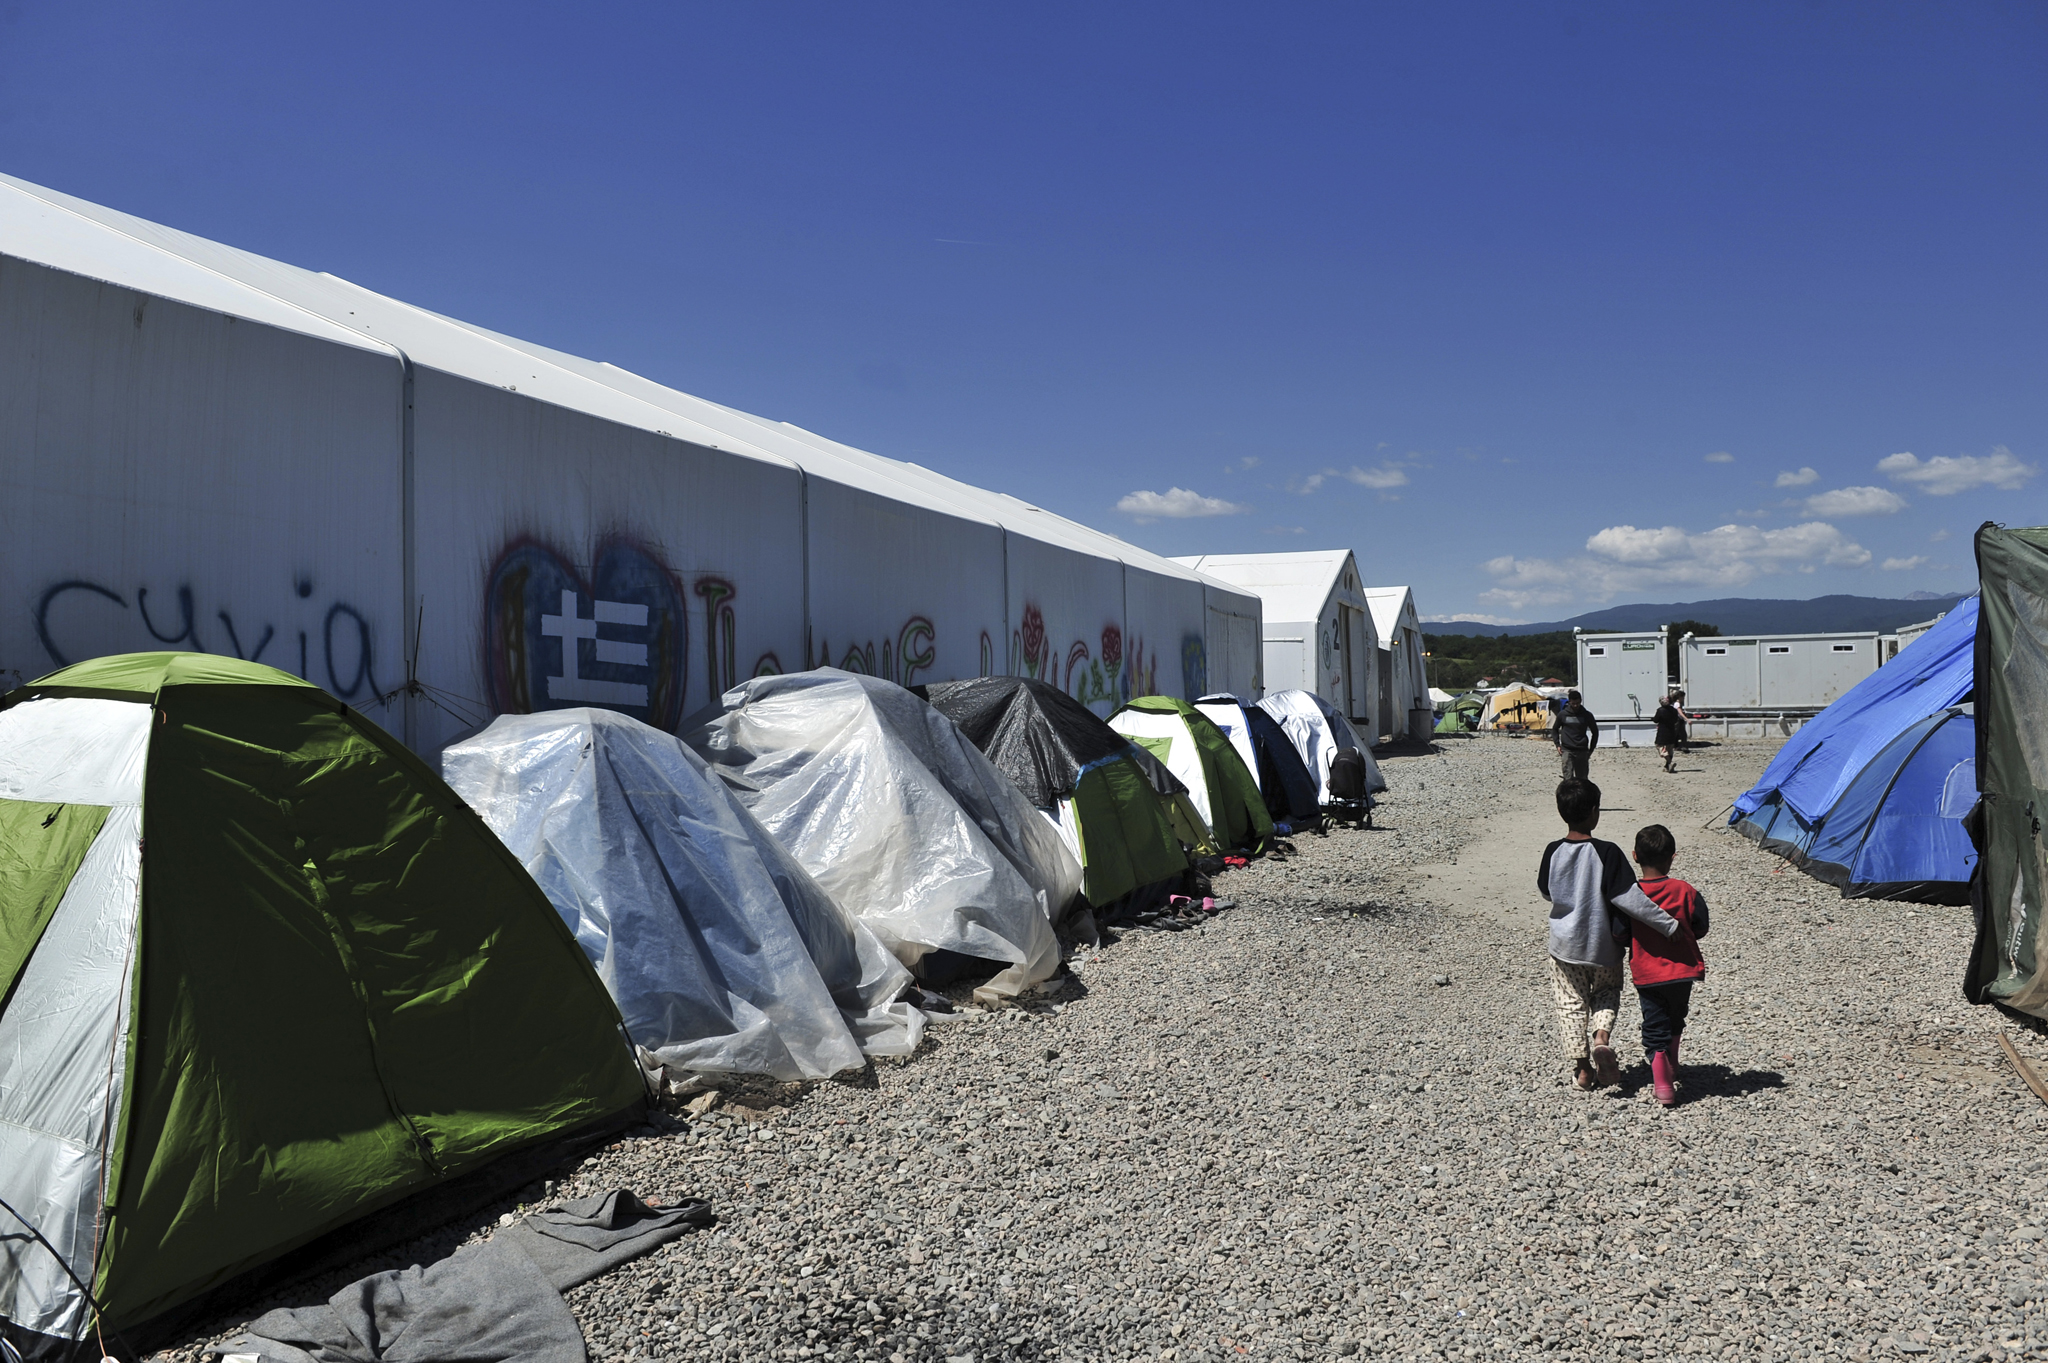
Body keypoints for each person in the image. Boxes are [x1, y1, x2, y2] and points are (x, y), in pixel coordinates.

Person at [1537, 778, 1679, 1090]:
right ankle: (1601, 1038)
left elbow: (1546, 892)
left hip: (1564, 947)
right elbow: (1630, 899)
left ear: (1561, 812)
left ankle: (1583, 1070)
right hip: (1603, 947)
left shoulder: (1553, 851)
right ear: (1594, 812)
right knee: (1607, 992)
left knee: (1569, 1003)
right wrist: (1668, 925)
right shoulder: (1608, 852)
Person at [1627, 824, 1709, 1107]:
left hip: (1647, 972)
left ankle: (1663, 1084)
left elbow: (1620, 932)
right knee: (1676, 1016)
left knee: (1654, 1024)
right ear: (1672, 857)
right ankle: (1673, 1063)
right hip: (1682, 970)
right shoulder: (1685, 890)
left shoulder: (1632, 895)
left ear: (1635, 856)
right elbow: (1701, 926)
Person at [1553, 689, 1597, 780]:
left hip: (1582, 750)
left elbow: (1595, 732)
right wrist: (1557, 744)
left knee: (1582, 780)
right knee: (1568, 778)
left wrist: (1591, 749)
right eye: (1573, 704)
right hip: (1567, 750)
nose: (1576, 706)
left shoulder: (1587, 715)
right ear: (1569, 702)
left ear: (1581, 701)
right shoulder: (1563, 714)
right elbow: (1555, 729)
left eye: (1577, 703)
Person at [1652, 693, 1687, 773]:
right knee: (1670, 749)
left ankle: (1670, 762)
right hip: (1672, 731)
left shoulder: (1660, 710)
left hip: (1662, 732)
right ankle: (1667, 766)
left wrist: (1653, 718)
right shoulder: (1674, 710)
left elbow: (1656, 720)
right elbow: (1675, 720)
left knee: (1660, 747)